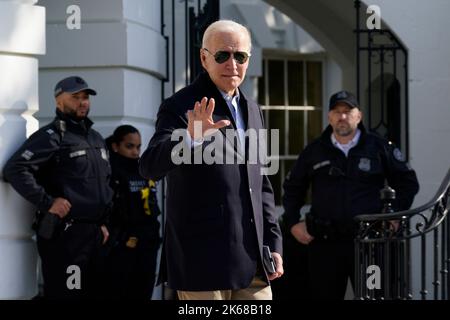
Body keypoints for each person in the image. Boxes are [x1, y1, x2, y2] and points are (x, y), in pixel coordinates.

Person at [139, 20, 283, 300]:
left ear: (248, 59)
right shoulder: (180, 106)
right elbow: (148, 167)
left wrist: (274, 243)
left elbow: (261, 183)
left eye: (240, 56)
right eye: (222, 55)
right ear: (204, 58)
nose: (232, 64)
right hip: (201, 260)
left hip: (251, 259)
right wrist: (189, 139)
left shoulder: (253, 109)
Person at [282, 90, 419, 300]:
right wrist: (292, 222)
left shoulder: (379, 147)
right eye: (337, 111)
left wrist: (395, 215)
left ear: (359, 116)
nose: (342, 117)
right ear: (329, 117)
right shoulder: (315, 151)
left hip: (369, 243)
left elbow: (407, 182)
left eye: (348, 111)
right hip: (325, 244)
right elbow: (293, 188)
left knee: (373, 296)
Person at [2, 76, 113, 299]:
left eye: (85, 97)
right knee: (68, 294)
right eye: (75, 97)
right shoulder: (51, 136)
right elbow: (15, 169)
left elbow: (103, 184)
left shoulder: (95, 138)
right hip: (67, 237)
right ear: (58, 101)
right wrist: (48, 202)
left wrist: (102, 223)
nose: (83, 102)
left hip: (94, 235)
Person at [103, 125, 161, 299]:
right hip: (122, 246)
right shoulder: (108, 171)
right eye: (130, 146)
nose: (135, 152)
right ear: (115, 146)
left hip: (147, 244)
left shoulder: (143, 169)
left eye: (138, 146)